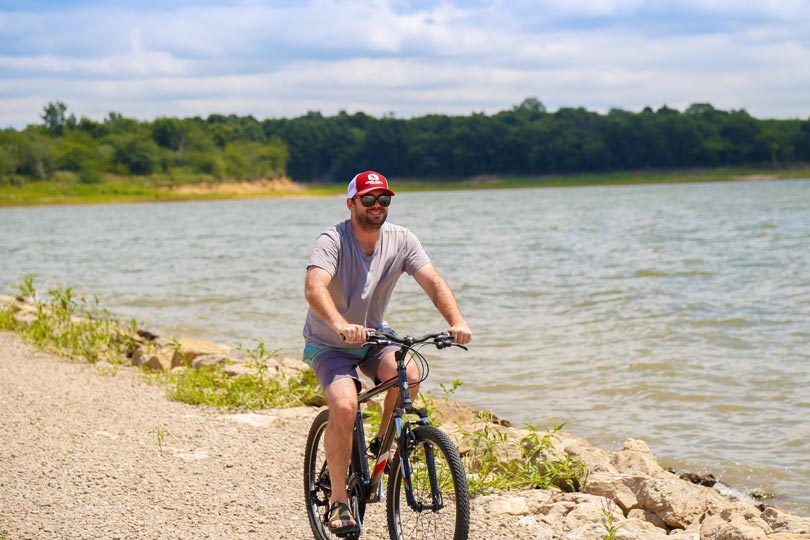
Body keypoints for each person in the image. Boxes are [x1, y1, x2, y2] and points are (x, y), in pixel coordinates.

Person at [303, 170, 472, 535]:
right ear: (352, 203)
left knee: (409, 374)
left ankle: (383, 447)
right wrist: (338, 324)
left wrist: (456, 322)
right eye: (368, 199)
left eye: (384, 199)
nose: (377, 206)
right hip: (330, 342)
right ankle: (337, 500)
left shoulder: (402, 239)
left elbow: (434, 282)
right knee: (346, 406)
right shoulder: (332, 239)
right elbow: (315, 288)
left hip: (374, 337)